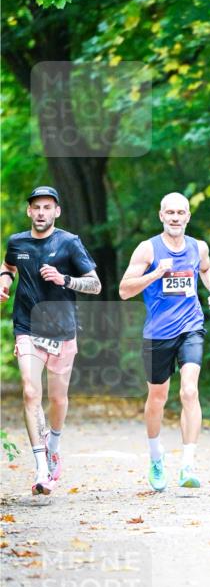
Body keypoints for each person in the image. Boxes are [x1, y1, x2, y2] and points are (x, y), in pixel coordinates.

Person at [0, 186, 101, 496]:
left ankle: (53, 443)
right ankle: (41, 468)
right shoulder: (17, 242)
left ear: (56, 211)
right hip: (27, 326)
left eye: (47, 207)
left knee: (58, 399)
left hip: (61, 331)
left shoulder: (69, 243)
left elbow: (95, 285)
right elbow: (9, 266)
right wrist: (4, 281)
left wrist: (64, 279)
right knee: (31, 392)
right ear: (29, 211)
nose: (41, 212)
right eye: (36, 207)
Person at [119, 192, 210, 492]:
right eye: (170, 213)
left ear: (188, 216)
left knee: (190, 390)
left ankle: (188, 464)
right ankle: (155, 457)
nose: (176, 217)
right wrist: (156, 274)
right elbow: (125, 290)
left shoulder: (198, 247)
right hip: (157, 334)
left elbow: (205, 269)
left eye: (181, 212)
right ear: (161, 216)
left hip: (191, 327)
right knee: (158, 398)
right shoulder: (147, 249)